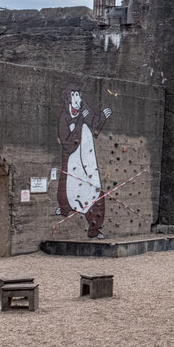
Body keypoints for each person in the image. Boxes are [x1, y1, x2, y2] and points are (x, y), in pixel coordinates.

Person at [56, 88, 112, 239]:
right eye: (73, 94)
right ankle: (65, 207)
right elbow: (65, 139)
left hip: (87, 155)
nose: (77, 98)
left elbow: (93, 122)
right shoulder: (64, 116)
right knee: (67, 182)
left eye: (78, 94)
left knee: (93, 186)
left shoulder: (84, 107)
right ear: (68, 97)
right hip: (72, 155)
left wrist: (102, 118)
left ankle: (94, 228)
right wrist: (75, 133)